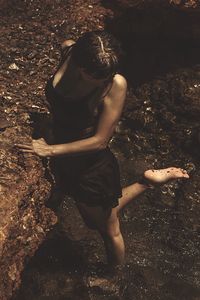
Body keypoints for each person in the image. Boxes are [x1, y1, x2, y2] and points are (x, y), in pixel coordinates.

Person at [17, 31, 189, 271]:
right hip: (65, 155)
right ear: (79, 63)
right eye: (97, 76)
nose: (104, 81)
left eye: (108, 74)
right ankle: (147, 181)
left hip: (90, 166)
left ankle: (113, 277)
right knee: (98, 213)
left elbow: (100, 141)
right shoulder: (69, 50)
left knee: (107, 227)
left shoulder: (115, 84)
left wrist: (49, 149)